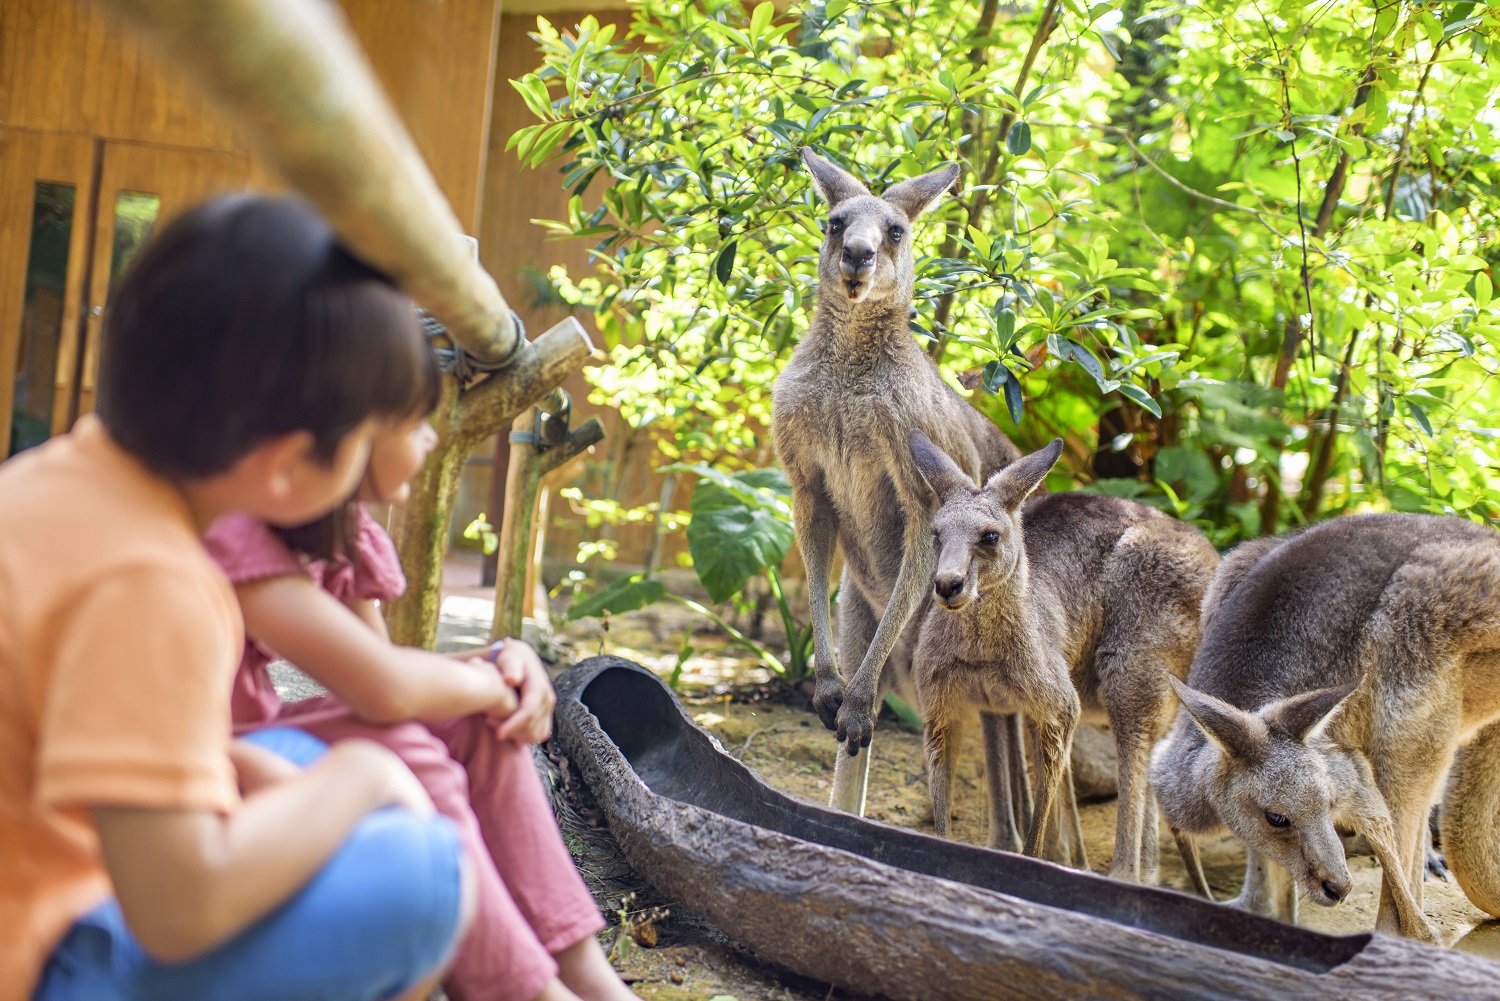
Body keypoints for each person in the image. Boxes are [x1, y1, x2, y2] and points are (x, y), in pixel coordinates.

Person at [1, 195, 483, 1001]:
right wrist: (362, 773)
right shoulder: (154, 585)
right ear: (292, 465)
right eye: (365, 437)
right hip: (39, 947)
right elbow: (178, 910)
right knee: (424, 873)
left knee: (289, 759)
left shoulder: (53, 478)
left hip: (40, 852)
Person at [203, 393, 637, 1001]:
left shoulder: (331, 526)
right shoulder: (237, 524)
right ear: (349, 432)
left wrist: (502, 663)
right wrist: (489, 680)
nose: (432, 439)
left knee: (473, 719)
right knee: (400, 736)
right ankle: (521, 989)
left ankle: (583, 973)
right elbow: (383, 690)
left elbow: (391, 670)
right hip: (200, 766)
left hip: (259, 741)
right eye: (414, 423)